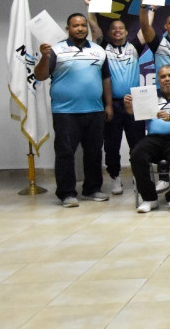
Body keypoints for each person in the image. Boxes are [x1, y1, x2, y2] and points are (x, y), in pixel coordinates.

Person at [34, 13, 113, 207]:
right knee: (65, 153)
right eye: (75, 26)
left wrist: (108, 104)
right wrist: (44, 57)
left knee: (94, 152)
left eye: (83, 26)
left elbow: (106, 79)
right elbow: (40, 75)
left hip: (94, 110)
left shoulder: (98, 51)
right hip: (65, 112)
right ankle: (67, 193)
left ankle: (92, 189)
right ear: (68, 29)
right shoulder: (56, 50)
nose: (80, 29)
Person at [85, 0, 146, 195]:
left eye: (121, 28)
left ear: (126, 32)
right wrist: (90, 6)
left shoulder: (134, 47)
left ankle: (139, 176)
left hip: (134, 102)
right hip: (111, 103)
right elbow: (93, 26)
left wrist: (145, 4)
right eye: (113, 28)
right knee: (111, 144)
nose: (117, 31)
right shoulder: (102, 48)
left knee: (137, 143)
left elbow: (145, 27)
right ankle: (115, 177)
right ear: (109, 33)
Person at [126, 65, 170, 213]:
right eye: (163, 77)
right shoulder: (150, 96)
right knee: (136, 154)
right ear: (158, 80)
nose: (167, 79)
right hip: (153, 139)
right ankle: (149, 198)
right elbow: (135, 114)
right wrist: (129, 107)